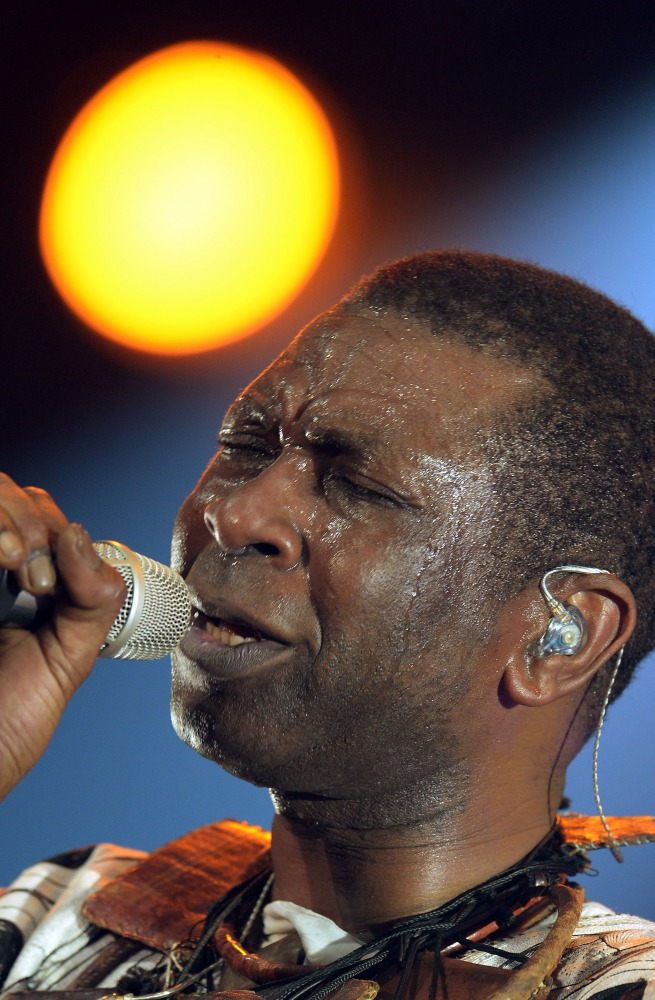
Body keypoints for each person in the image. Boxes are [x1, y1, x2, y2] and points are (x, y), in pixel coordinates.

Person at [0, 250, 654, 1000]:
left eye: (358, 485)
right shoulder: (60, 914)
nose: (235, 512)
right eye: (245, 446)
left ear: (559, 634)